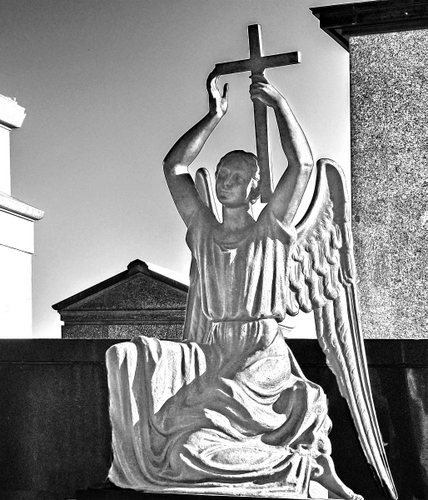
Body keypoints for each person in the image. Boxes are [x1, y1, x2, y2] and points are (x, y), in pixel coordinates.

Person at [106, 71, 362, 500]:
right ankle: (289, 466)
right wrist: (214, 116)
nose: (225, 183)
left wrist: (279, 105)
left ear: (254, 186)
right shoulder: (203, 230)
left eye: (236, 177)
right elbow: (174, 167)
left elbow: (301, 166)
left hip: (262, 360)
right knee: (175, 443)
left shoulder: (271, 231)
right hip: (215, 352)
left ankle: (297, 467)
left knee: (187, 447)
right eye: (222, 175)